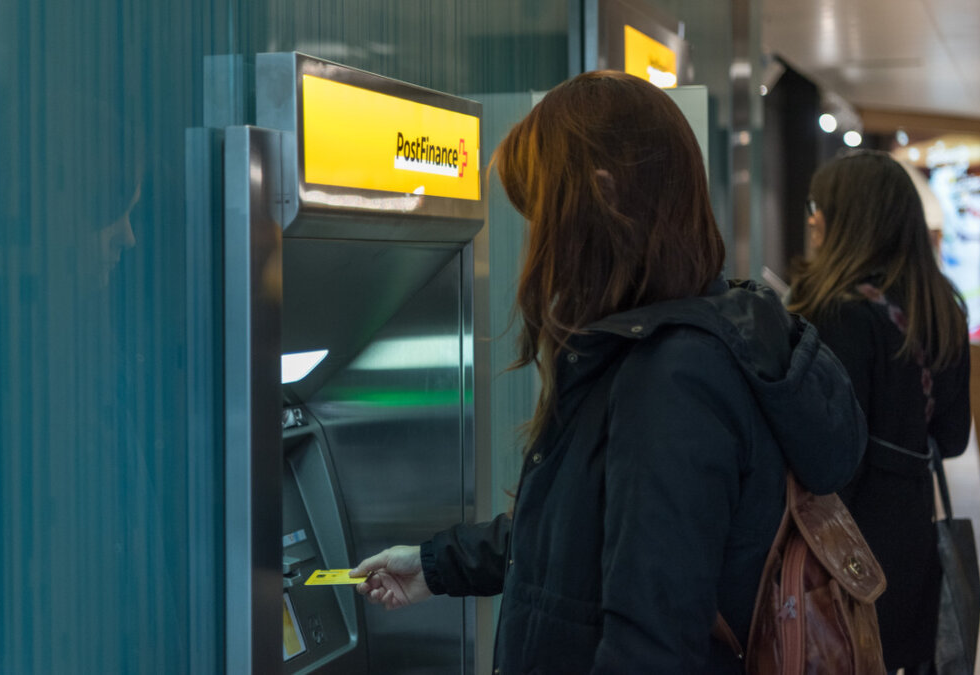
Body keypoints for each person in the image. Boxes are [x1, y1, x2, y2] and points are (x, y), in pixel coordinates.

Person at [351, 71, 867, 673]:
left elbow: (651, 646)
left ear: (601, 199)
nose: (536, 243)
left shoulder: (673, 380)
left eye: (543, 215)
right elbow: (587, 534)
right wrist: (436, 565)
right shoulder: (686, 346)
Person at [789, 150, 972, 675]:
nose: (812, 219)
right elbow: (953, 438)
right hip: (914, 529)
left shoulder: (836, 311)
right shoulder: (943, 308)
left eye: (818, 206)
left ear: (851, 219)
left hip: (842, 538)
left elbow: (830, 454)